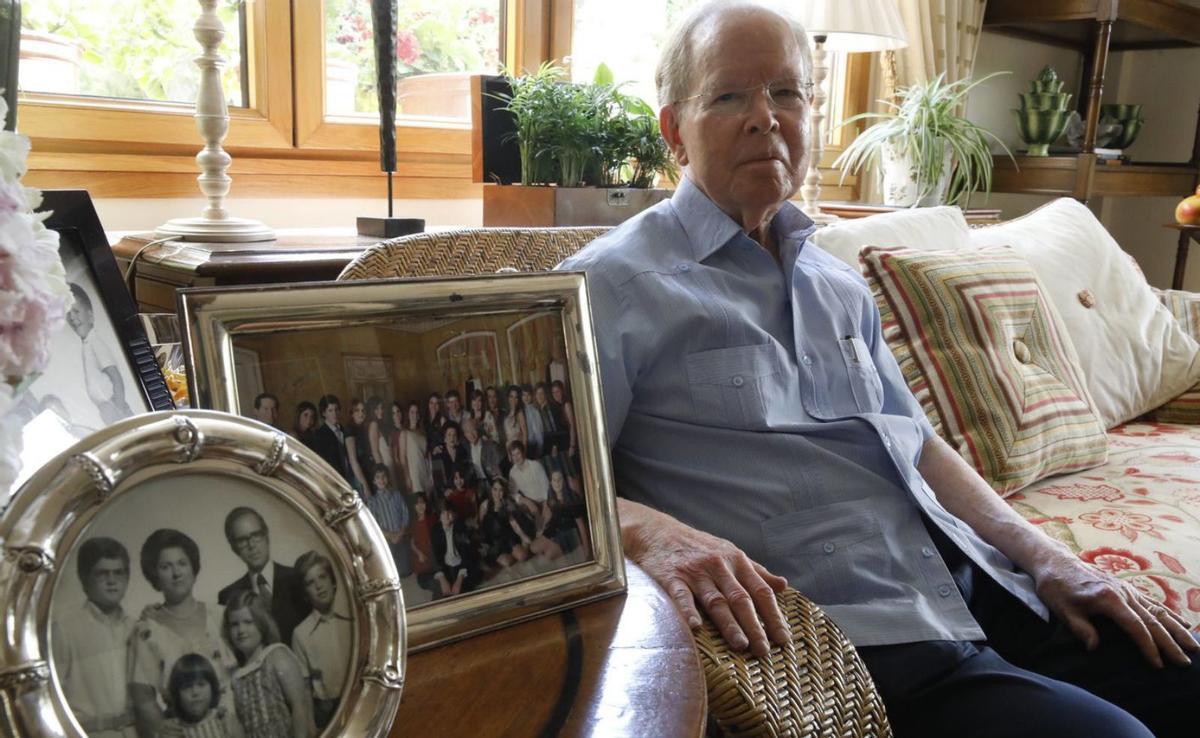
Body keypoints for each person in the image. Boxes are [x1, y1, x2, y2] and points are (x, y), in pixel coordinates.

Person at [555, 3, 1200, 737]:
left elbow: (918, 442)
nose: (766, 117)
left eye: (788, 93)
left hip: (980, 585)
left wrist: (1048, 557)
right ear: (675, 129)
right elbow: (545, 488)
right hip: (857, 645)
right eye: (730, 95)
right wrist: (650, 533)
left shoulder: (836, 279)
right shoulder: (610, 287)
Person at [129, 529, 239, 738]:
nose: (176, 573)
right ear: (155, 575)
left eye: (182, 563)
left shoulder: (221, 615)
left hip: (236, 726)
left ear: (193, 568)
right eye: (165, 567)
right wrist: (159, 726)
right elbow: (142, 695)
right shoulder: (147, 631)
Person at [52, 537, 137, 738]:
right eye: (102, 573)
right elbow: (51, 698)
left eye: (119, 573)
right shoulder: (65, 630)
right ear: (84, 579)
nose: (112, 581)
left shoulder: (136, 627)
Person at [222, 591, 315, 738]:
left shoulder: (276, 655)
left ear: (261, 623)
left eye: (248, 622)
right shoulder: (236, 677)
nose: (241, 630)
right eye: (234, 624)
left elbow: (300, 707)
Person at [217, 508, 310, 646]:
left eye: (256, 535)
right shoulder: (228, 596)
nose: (251, 545)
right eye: (242, 540)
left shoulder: (298, 579)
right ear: (234, 548)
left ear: (266, 536)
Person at [291, 552, 352, 731]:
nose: (319, 586)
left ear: (333, 581)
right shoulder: (301, 634)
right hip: (327, 712)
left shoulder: (353, 619)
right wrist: (311, 725)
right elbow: (305, 687)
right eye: (310, 583)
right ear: (305, 594)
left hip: (360, 695)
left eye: (322, 577)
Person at [66, 282, 133, 425]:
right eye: (68, 314)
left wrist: (119, 408)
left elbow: (116, 377)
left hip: (114, 406)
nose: (72, 318)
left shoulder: (95, 342)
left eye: (76, 311)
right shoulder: (87, 343)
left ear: (90, 316)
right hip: (107, 408)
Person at [163, 654, 231, 738]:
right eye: (187, 687)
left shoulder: (224, 722)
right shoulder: (174, 731)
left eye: (201, 684)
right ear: (177, 695)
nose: (195, 692)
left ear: (212, 687)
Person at [364, 464, 412, 576]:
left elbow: (405, 515)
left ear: (388, 478)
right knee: (391, 572)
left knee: (406, 571)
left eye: (384, 476)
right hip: (386, 541)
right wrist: (391, 535)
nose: (381, 480)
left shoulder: (397, 495)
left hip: (401, 537)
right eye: (378, 477)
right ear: (374, 481)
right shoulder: (372, 502)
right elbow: (373, 525)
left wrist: (400, 533)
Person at [477, 477, 533, 570]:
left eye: (500, 490)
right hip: (495, 542)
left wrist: (524, 537)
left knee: (522, 556)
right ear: (491, 489)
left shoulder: (507, 504)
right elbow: (482, 528)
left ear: (504, 492)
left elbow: (514, 525)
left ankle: (517, 551)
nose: (497, 493)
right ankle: (506, 556)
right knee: (507, 562)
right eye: (495, 489)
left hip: (509, 538)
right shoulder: (485, 505)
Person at [430, 505, 479, 598]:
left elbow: (466, 554)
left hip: (461, 565)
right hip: (445, 566)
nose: (446, 516)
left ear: (453, 514)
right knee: (441, 592)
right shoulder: (435, 530)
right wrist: (442, 579)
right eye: (443, 513)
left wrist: (459, 579)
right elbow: (435, 555)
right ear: (439, 517)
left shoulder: (461, 527)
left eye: (449, 512)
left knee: (462, 591)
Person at [393, 401, 434, 496]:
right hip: (413, 473)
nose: (414, 415)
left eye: (416, 412)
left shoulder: (423, 434)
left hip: (424, 471)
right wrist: (407, 477)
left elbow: (426, 456)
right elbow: (403, 457)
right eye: (412, 412)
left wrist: (430, 476)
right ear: (408, 414)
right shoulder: (405, 433)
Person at [308, 395, 350, 482]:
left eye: (336, 410)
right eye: (330, 410)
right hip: (335, 479)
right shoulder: (319, 435)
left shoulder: (345, 430)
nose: (334, 413)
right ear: (324, 413)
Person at [507, 440, 550, 507]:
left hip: (545, 501)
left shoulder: (535, 465)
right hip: (530, 505)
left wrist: (545, 504)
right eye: (513, 455)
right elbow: (512, 492)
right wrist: (525, 501)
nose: (516, 458)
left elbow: (546, 485)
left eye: (518, 453)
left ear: (523, 453)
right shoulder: (512, 472)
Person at [462, 418, 502, 485]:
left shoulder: (490, 445)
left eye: (473, 430)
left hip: (492, 482)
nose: (471, 434)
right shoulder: (465, 448)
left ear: (478, 429)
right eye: (468, 432)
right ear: (465, 435)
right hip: (476, 485)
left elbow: (498, 469)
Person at [520, 385, 545, 459]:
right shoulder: (521, 410)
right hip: (523, 445)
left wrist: (539, 449)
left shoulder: (534, 410)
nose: (526, 397)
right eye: (524, 395)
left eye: (528, 395)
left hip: (532, 446)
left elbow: (538, 431)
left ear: (531, 396)